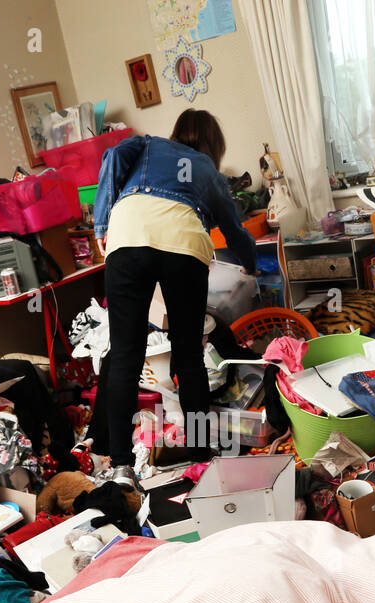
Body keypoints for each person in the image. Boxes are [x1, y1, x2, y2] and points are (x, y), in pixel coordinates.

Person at [92, 109, 258, 488]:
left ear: (177, 132)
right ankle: (200, 455)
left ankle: (121, 469)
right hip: (184, 244)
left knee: (125, 355)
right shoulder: (207, 171)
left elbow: (113, 157)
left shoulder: (146, 145)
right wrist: (251, 265)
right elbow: (234, 229)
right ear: (214, 145)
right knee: (188, 354)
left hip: (129, 236)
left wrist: (101, 224)